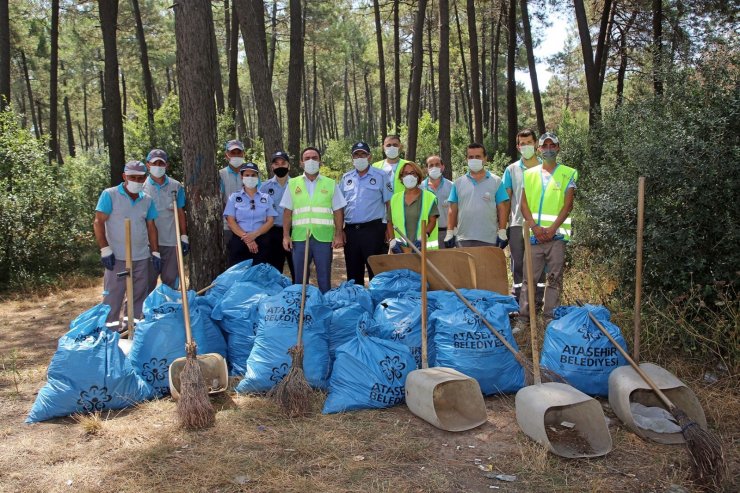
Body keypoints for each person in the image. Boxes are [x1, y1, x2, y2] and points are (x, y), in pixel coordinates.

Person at [519, 132, 578, 324]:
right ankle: (525, 318)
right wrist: (535, 227)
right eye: (545, 146)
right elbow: (523, 204)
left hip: (557, 237)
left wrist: (552, 229)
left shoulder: (568, 173)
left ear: (558, 148)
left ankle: (549, 319)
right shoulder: (528, 175)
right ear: (539, 149)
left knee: (554, 279)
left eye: (553, 146)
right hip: (534, 236)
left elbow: (568, 206)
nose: (549, 149)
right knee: (529, 280)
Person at [93, 161, 159, 327]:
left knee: (139, 296)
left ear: (145, 178)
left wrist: (155, 252)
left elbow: (151, 227)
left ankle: (133, 329)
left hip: (141, 256)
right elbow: (98, 222)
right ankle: (111, 331)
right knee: (113, 296)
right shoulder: (110, 195)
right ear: (124, 177)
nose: (136, 181)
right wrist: (105, 249)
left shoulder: (147, 200)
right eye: (132, 177)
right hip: (117, 257)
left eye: (140, 178)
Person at [280, 147, 346, 293]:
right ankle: (301, 308)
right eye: (307, 158)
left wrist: (338, 233)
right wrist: (286, 235)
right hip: (300, 238)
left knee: (324, 277)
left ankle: (323, 308)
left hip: (323, 237)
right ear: (301, 163)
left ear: (320, 161)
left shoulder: (330, 183)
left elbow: (338, 210)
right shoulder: (292, 183)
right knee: (300, 278)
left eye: (314, 158)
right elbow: (287, 212)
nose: (311, 161)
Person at [340, 141, 393, 285]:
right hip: (351, 232)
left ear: (369, 157)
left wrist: (389, 229)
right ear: (352, 158)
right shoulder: (346, 178)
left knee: (376, 273)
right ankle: (357, 303)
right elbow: (339, 207)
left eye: (363, 154)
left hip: (374, 230)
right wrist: (340, 230)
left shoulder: (381, 176)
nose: (359, 157)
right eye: (356, 155)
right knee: (353, 274)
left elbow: (389, 204)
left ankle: (379, 304)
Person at [503, 129, 545, 302]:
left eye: (529, 143)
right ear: (518, 146)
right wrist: (502, 227)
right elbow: (506, 199)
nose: (526, 146)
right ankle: (519, 300)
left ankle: (537, 301)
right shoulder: (511, 170)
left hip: (540, 225)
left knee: (540, 265)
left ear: (535, 144)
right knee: (518, 264)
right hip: (517, 224)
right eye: (522, 143)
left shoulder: (545, 168)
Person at [445, 143, 510, 248]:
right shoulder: (458, 183)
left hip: (489, 238)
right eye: (471, 157)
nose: (474, 159)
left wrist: (502, 231)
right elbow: (452, 209)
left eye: (478, 157)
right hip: (463, 238)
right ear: (466, 159)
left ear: (485, 159)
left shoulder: (496, 181)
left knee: (487, 265)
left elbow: (502, 208)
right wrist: (449, 232)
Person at [142, 148, 188, 291]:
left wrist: (184, 235)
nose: (158, 167)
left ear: (166, 165)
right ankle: (141, 313)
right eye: (155, 163)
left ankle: (168, 310)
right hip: (148, 244)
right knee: (146, 283)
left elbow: (180, 212)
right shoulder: (141, 187)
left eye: (161, 164)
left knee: (171, 281)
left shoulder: (175, 186)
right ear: (148, 165)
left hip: (171, 241)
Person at [223, 162, 277, 267]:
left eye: (253, 175)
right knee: (239, 275)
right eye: (247, 175)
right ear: (242, 177)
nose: (250, 178)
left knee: (260, 274)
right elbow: (230, 221)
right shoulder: (234, 197)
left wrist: (255, 235)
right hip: (239, 240)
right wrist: (247, 238)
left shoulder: (266, 198)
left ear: (258, 177)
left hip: (261, 240)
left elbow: (270, 221)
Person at [388, 161, 439, 252]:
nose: (409, 176)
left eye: (412, 173)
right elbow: (389, 222)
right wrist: (392, 241)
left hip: (424, 251)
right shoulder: (395, 198)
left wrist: (423, 237)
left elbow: (432, 221)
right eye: (406, 173)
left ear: (418, 176)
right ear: (401, 177)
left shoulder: (429, 197)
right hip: (400, 250)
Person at [260, 150, 295, 280]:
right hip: (272, 232)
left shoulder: (297, 185)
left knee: (296, 268)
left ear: (288, 166)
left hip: (294, 232)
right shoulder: (264, 187)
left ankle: (298, 296)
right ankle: (276, 298)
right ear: (272, 167)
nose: (280, 166)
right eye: (277, 164)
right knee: (275, 270)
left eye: (283, 163)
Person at [219, 139, 246, 253]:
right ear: (227, 155)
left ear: (243, 154)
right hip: (228, 226)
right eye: (232, 153)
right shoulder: (221, 174)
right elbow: (220, 200)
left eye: (238, 152)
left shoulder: (250, 173)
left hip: (248, 225)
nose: (236, 155)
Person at [421, 155, 453, 249]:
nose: (434, 167)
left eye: (437, 164)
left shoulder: (452, 187)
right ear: (426, 169)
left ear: (442, 167)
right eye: (431, 165)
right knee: (428, 262)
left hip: (446, 233)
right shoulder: (420, 188)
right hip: (426, 234)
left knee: (446, 262)